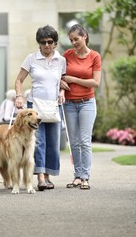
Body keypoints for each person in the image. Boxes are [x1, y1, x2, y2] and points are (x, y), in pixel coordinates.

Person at [15, 25, 66, 191]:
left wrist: (62, 92)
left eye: (50, 41)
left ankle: (49, 176)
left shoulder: (61, 60)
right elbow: (19, 80)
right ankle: (41, 178)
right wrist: (19, 96)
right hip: (34, 107)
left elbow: (62, 81)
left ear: (55, 43)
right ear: (39, 43)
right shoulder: (31, 58)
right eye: (43, 42)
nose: (46, 45)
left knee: (52, 143)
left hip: (53, 106)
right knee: (39, 142)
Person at [61, 24, 101, 190]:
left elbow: (95, 82)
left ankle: (85, 176)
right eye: (71, 40)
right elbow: (61, 77)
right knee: (74, 142)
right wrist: (63, 83)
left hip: (87, 103)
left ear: (84, 36)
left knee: (85, 141)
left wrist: (73, 79)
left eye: (76, 39)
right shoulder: (67, 55)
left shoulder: (94, 56)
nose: (74, 42)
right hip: (69, 104)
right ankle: (77, 176)